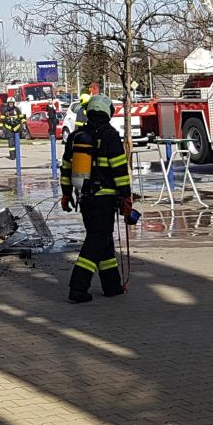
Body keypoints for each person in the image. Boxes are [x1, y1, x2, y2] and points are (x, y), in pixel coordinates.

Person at [60, 95, 131, 303]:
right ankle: (78, 287)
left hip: (85, 199)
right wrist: (126, 196)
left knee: (103, 240)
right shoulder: (110, 136)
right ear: (108, 112)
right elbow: (119, 170)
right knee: (96, 241)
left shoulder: (75, 136)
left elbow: (66, 168)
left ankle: (112, 285)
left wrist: (66, 194)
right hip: (105, 199)